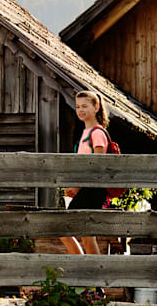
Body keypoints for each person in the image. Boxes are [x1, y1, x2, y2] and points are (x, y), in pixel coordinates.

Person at [59, 90, 114, 255]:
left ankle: (85, 269)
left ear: (96, 107)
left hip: (92, 190)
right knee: (87, 235)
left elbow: (97, 166)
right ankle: (92, 272)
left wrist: (77, 187)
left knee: (64, 229)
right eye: (77, 107)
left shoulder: (97, 133)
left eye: (85, 106)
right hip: (85, 189)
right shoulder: (85, 133)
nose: (80, 110)